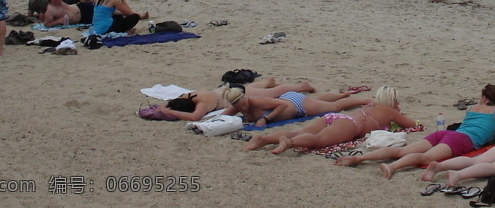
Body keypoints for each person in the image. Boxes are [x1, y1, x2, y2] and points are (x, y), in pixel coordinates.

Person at [335, 84, 495, 178]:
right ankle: (392, 167)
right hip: (462, 139)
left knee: (402, 150)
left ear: (483, 97)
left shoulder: (472, 108)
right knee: (427, 158)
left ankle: (360, 157)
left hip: (446, 134)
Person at [243, 86, 416, 154]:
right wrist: (400, 113)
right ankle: (289, 142)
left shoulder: (370, 106)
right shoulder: (389, 111)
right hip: (350, 125)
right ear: (391, 101)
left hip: (337, 118)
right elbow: (412, 125)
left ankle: (263, 139)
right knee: (318, 141)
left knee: (300, 131)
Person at [151, 82, 319, 122]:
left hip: (235, 95)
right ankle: (268, 81)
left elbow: (195, 117)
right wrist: (165, 106)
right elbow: (174, 102)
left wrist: (168, 111)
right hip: (227, 89)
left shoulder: (201, 105)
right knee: (261, 88)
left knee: (274, 93)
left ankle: (301, 86)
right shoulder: (188, 95)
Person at [223, 88, 373, 127]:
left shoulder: (256, 102)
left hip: (296, 105)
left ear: (244, 97)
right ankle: (341, 94)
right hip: (292, 100)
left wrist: (265, 118)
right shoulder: (239, 107)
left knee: (333, 108)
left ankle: (363, 100)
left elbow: (281, 105)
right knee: (316, 101)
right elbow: (222, 116)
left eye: (243, 102)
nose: (243, 107)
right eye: (239, 106)